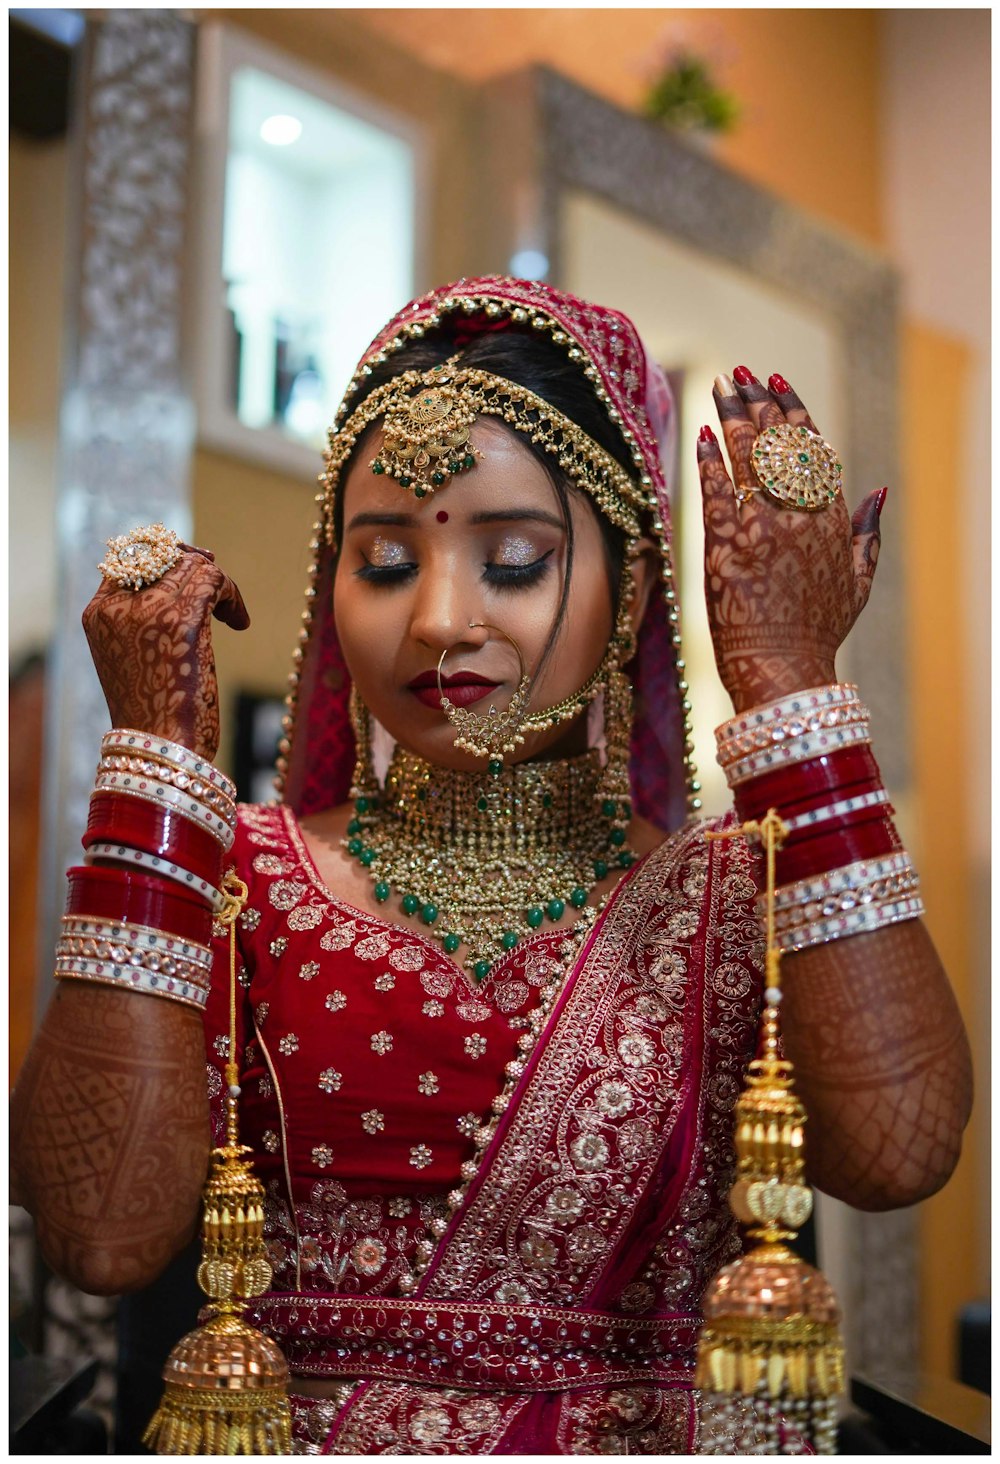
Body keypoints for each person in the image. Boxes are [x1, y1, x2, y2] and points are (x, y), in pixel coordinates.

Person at [12, 277, 972, 1454]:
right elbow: (96, 1237)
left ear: (624, 599)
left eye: (514, 560)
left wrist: (791, 687)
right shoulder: (241, 877)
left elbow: (897, 1156)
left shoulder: (736, 886)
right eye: (382, 562)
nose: (437, 619)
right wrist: (155, 774)